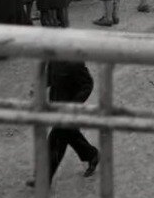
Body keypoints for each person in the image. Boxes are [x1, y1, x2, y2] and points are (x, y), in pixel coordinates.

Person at [26, 60, 99, 188]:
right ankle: (92, 155)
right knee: (71, 135)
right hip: (56, 107)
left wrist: (73, 106)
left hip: (68, 111)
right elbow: (49, 77)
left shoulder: (74, 61)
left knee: (54, 141)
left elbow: (87, 84)